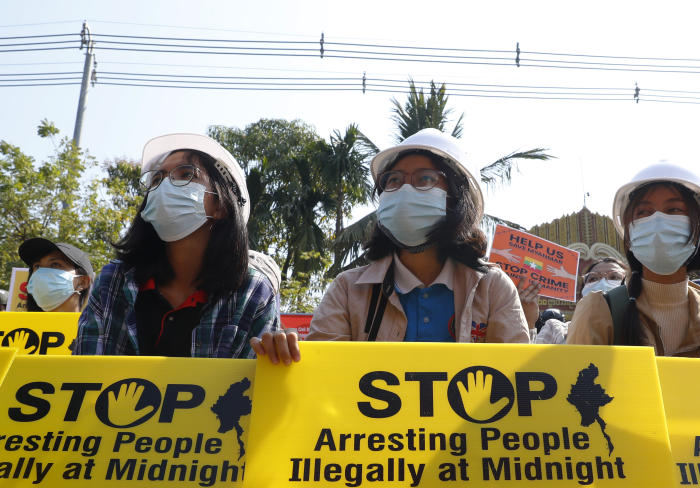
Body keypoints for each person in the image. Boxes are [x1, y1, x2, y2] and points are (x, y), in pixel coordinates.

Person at [253, 128, 528, 363]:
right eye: (393, 181)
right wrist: (287, 358)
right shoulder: (348, 291)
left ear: (456, 198)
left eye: (425, 179)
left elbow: (517, 381)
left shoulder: (493, 289)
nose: (404, 190)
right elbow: (324, 377)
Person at [74, 133, 280, 358]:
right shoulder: (113, 281)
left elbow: (253, 385)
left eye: (186, 174)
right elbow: (87, 374)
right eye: (156, 179)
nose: (164, 186)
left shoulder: (252, 291)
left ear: (220, 205)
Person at [566, 163, 700, 358]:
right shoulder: (599, 312)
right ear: (629, 236)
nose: (657, 221)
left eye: (673, 209)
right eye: (643, 212)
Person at [532, 259, 628, 345]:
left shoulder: (640, 326)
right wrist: (528, 320)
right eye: (593, 278)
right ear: (582, 292)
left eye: (614, 277)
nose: (603, 282)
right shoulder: (556, 330)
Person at [18, 238, 94, 313]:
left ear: (83, 282)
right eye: (37, 266)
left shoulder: (97, 325)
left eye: (55, 264)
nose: (41, 273)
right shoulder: (15, 325)